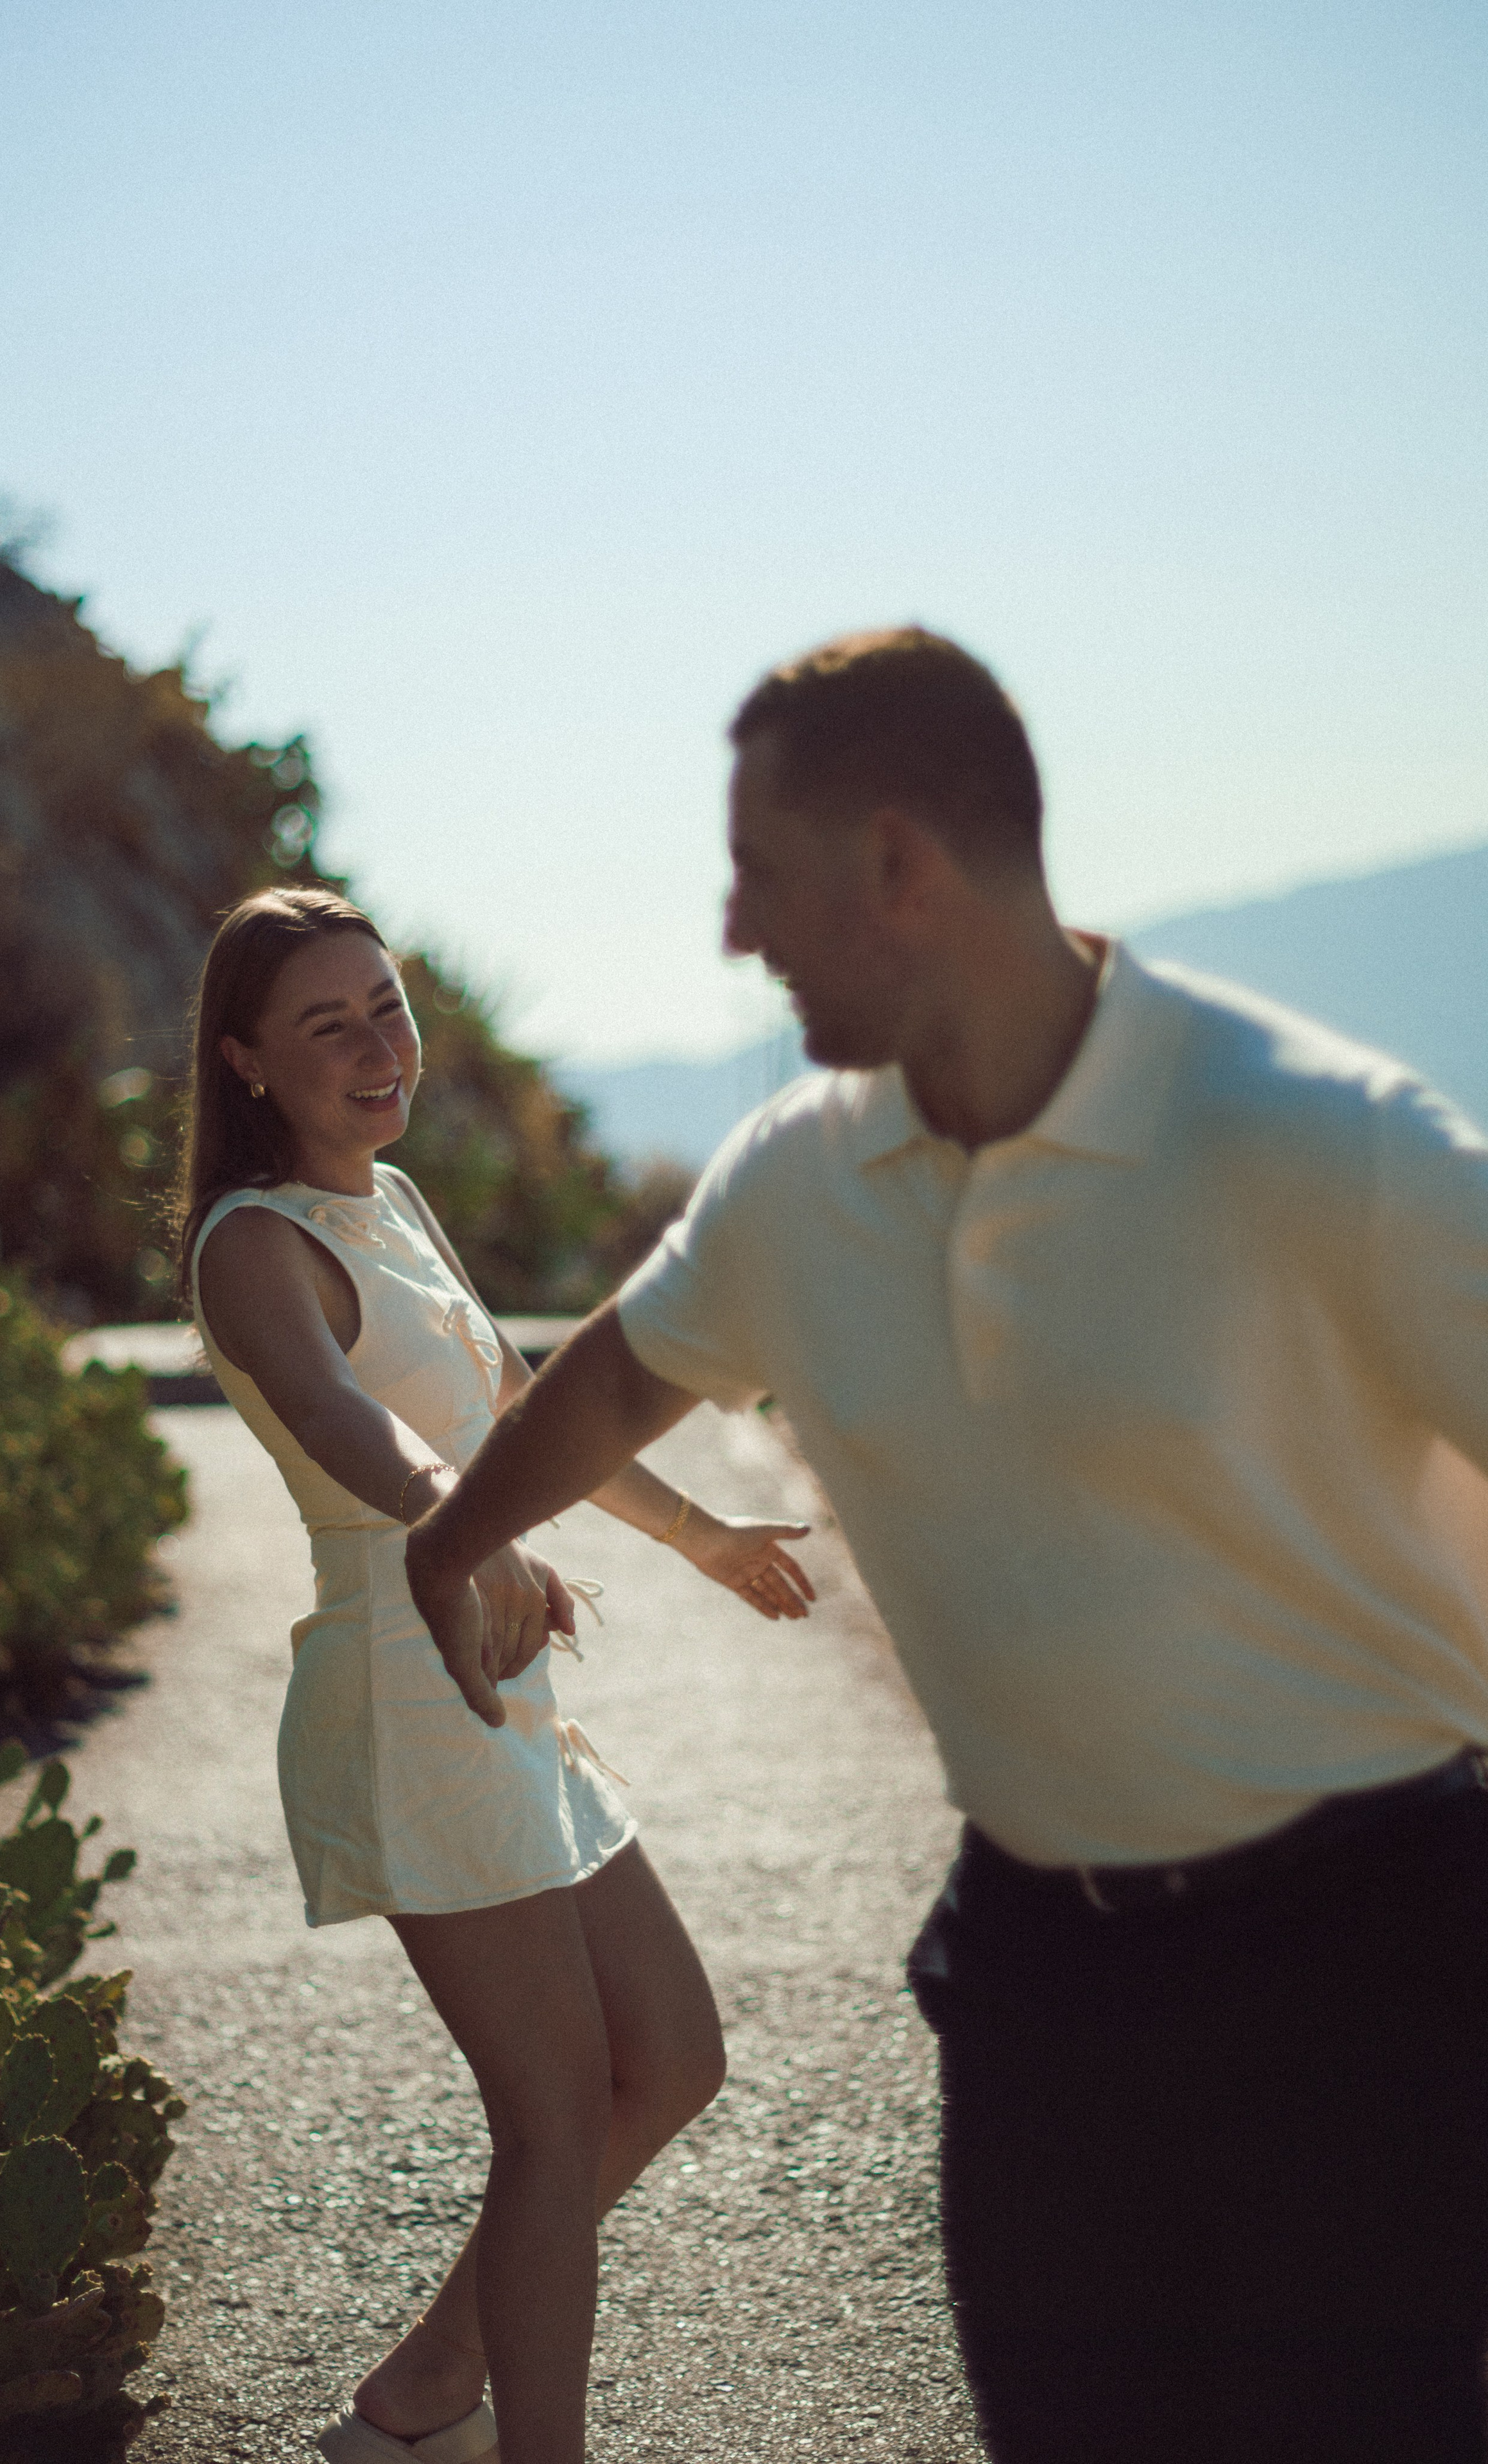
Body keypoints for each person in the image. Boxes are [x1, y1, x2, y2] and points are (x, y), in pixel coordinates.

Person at [405, 628, 1488, 2464]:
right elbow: (618, 1380)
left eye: (758, 872)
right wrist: (450, 1546)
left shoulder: (1325, 1143)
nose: (735, 929)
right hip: (1041, 1989)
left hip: (1374, 1971)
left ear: (899, 865)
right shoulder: (793, 1180)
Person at [176, 886, 816, 2464]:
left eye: (385, 1006)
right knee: (547, 2123)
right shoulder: (251, 1245)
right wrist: (455, 1534)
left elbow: (523, 1404)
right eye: (326, 1024)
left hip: (496, 1674)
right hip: (411, 1687)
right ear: (246, 1060)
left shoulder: (389, 1202)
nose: (375, 1046)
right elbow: (347, 1420)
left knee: (669, 2057)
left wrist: (698, 1536)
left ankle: (412, 2402)